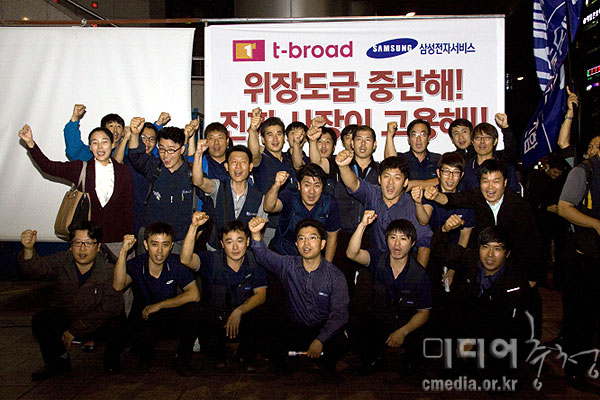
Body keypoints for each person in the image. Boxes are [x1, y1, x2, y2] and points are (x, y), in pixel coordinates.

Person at [18, 222, 123, 380]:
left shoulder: (109, 269)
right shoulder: (62, 260)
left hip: (97, 320)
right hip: (71, 315)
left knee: (117, 324)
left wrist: (74, 331)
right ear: (70, 246)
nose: (82, 249)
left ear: (98, 247)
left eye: (88, 243)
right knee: (42, 320)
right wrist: (28, 250)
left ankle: (111, 361)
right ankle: (58, 362)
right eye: (77, 243)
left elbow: (111, 308)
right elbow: (37, 269)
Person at [248, 217, 349, 378]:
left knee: (339, 342)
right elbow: (263, 256)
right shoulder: (288, 265)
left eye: (312, 238)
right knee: (265, 331)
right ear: (296, 244)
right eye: (301, 239)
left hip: (322, 327)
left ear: (322, 244)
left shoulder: (335, 276)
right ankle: (294, 360)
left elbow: (339, 314)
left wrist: (320, 340)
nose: (306, 243)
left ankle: (321, 361)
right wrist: (255, 234)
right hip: (296, 327)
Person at [430, 216, 532, 373]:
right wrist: (444, 229)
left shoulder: (515, 283)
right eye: (485, 247)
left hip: (500, 333)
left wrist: (475, 341)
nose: (490, 255)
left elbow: (509, 325)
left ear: (507, 253)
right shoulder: (471, 259)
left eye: (497, 249)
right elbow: (439, 251)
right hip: (470, 322)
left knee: (502, 372)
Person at [18, 124, 134, 254]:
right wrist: (30, 143)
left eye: (104, 142)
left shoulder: (123, 171)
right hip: (86, 241)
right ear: (90, 147)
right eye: (95, 143)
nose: (100, 147)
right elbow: (48, 166)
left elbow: (128, 205)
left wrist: (129, 235)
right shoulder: (80, 168)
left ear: (112, 145)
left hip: (117, 240)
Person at [346, 212, 431, 374]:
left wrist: (403, 332)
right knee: (356, 321)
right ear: (386, 240)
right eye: (393, 238)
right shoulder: (377, 258)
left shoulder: (420, 274)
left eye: (403, 239)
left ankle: (410, 363)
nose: (397, 244)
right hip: (381, 320)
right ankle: (373, 359)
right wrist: (362, 225)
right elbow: (352, 254)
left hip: (406, 323)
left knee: (423, 335)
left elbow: (424, 312)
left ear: (412, 243)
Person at [180, 212, 267, 367]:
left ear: (247, 242)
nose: (235, 247)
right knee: (192, 311)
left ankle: (244, 355)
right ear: (221, 244)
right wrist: (193, 227)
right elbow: (186, 259)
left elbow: (261, 295)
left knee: (262, 313)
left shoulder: (255, 261)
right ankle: (205, 356)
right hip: (216, 323)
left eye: (239, 241)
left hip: (241, 321)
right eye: (229, 242)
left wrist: (239, 311)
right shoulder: (211, 260)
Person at [113, 223, 201, 376]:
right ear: (146, 245)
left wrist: (159, 305)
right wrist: (123, 252)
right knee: (141, 341)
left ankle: (182, 359)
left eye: (165, 245)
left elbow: (194, 294)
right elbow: (118, 285)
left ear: (171, 246)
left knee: (193, 310)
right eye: (154, 244)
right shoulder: (137, 264)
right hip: (144, 317)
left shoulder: (175, 263)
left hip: (167, 315)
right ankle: (143, 355)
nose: (159, 251)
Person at [336, 151, 432, 267]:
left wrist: (416, 274)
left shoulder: (412, 206)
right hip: (376, 260)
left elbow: (425, 243)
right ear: (379, 179)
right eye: (386, 176)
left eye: (397, 178)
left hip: (404, 262)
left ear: (405, 182)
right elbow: (354, 184)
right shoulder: (373, 194)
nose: (390, 182)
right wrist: (343, 167)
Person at [557, 143, 600, 391]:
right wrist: (595, 224)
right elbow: (564, 208)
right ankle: (575, 369)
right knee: (581, 318)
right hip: (585, 258)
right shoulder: (583, 171)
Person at [128, 125, 195, 248]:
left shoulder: (192, 173)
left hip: (181, 240)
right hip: (151, 237)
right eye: (162, 149)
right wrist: (134, 134)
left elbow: (207, 201)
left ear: (182, 149)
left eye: (171, 150)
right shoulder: (154, 167)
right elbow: (135, 155)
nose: (166, 155)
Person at [193, 143, 267, 249]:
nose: (238, 167)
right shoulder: (218, 187)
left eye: (243, 162)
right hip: (216, 250)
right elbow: (198, 182)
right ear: (226, 166)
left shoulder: (259, 198)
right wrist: (198, 154)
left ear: (250, 167)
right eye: (234, 162)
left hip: (245, 253)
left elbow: (259, 234)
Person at [264, 164, 341, 262]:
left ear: (322, 188)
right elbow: (268, 207)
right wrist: (276, 186)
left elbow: (332, 237)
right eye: (307, 185)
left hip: (313, 258)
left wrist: (326, 267)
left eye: (317, 186)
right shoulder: (290, 197)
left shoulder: (330, 203)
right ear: (299, 185)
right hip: (282, 255)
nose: (312, 191)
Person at [459, 119, 520, 193]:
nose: (482, 141)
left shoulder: (506, 167)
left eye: (487, 138)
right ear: (472, 142)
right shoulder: (466, 168)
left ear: (495, 141)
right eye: (478, 138)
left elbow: (513, 195)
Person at [247, 108, 298, 194]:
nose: (275, 139)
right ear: (263, 139)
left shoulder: (290, 159)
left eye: (279, 134)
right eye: (270, 135)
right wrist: (253, 130)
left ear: (284, 138)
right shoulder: (261, 160)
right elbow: (254, 153)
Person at [385, 119, 440, 189]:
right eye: (414, 135)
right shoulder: (402, 159)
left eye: (422, 134)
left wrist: (411, 184)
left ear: (428, 138)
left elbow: (445, 181)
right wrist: (390, 135)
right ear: (409, 139)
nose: (418, 139)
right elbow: (390, 163)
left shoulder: (438, 159)